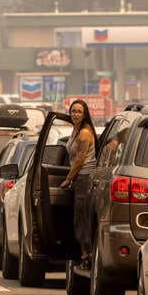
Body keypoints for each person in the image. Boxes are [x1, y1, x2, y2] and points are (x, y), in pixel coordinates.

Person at [60, 100, 99, 269]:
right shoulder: (75, 131)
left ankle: (87, 255)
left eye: (79, 111)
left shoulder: (84, 133)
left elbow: (80, 159)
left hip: (84, 178)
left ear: (84, 114)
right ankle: (83, 253)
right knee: (78, 217)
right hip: (79, 179)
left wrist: (69, 178)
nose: (75, 114)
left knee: (82, 218)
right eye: (73, 111)